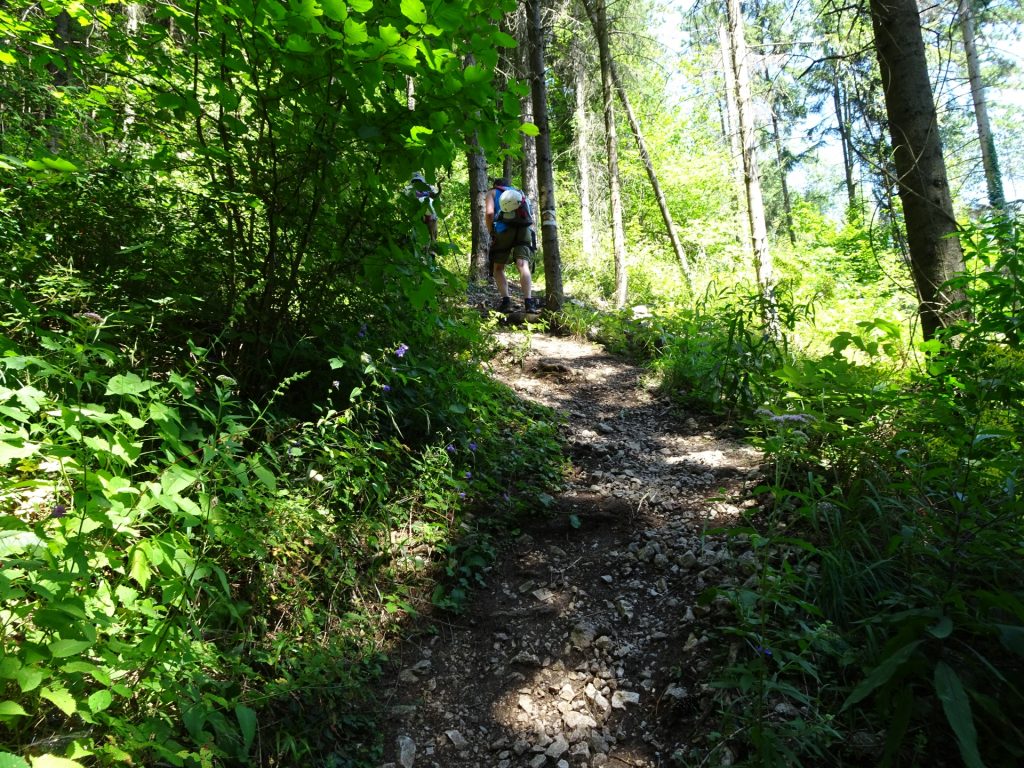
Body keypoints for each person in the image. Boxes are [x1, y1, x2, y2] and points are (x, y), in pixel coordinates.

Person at [486, 177, 540, 313]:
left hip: (503, 231)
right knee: (523, 264)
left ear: (495, 185)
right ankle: (529, 302)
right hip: (524, 230)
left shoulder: (492, 193)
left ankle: (506, 302)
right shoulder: (519, 192)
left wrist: (491, 231)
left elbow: (489, 213)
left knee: (498, 268)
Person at [407, 172, 440, 244]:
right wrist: (428, 194)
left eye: (418, 181)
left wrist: (433, 195)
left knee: (433, 232)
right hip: (417, 213)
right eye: (415, 181)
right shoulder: (411, 190)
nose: (417, 183)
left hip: (431, 213)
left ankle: (432, 248)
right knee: (419, 234)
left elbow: (436, 197)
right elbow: (412, 196)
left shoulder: (429, 188)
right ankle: (421, 247)